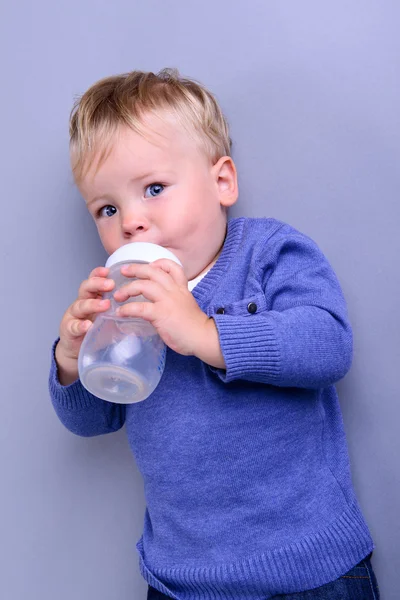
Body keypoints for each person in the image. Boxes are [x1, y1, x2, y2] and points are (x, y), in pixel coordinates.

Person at [49, 68, 380, 599]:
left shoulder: (266, 254)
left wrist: (202, 332)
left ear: (222, 181)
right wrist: (72, 356)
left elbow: (327, 345)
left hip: (308, 573)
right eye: (107, 209)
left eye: (154, 189)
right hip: (182, 581)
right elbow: (94, 417)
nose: (131, 221)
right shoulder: (122, 300)